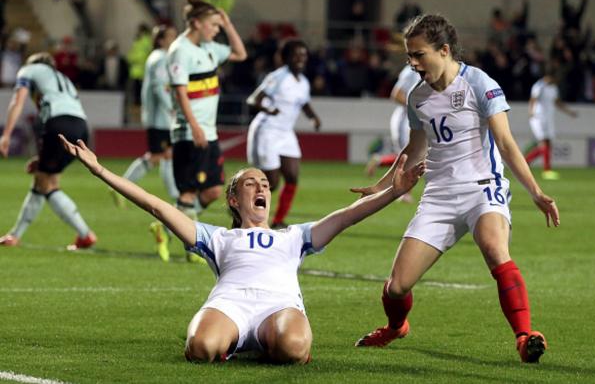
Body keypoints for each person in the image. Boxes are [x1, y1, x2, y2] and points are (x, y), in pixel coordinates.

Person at [59, 134, 425, 363]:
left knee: (294, 347)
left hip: (278, 306)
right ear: (234, 199)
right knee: (200, 348)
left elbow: (347, 216)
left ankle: (268, 343)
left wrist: (395, 191)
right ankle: (232, 343)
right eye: (251, 184)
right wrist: (101, 171)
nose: (261, 187)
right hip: (229, 305)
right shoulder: (217, 237)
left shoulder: (292, 236)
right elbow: (158, 206)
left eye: (264, 183)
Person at [352, 14, 560, 364]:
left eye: (418, 55)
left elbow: (506, 143)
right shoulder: (417, 98)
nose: (413, 64)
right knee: (396, 287)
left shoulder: (480, 83)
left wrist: (536, 192)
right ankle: (396, 327)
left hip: (483, 188)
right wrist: (381, 185)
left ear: (444, 50)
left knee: (496, 250)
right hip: (439, 196)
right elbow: (413, 149)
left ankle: (525, 336)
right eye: (409, 57)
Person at [164, 0, 246, 260]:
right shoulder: (180, 50)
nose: (217, 30)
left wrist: (228, 23)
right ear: (197, 23)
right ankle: (193, 250)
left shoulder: (209, 48)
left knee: (212, 191)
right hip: (190, 132)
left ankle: (168, 226)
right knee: (188, 191)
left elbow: (240, 53)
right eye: (213, 24)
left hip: (208, 133)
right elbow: (180, 93)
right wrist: (194, 126)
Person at [0, 52, 96, 249]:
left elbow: (18, 101)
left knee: (46, 183)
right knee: (45, 179)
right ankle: (15, 235)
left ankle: (85, 234)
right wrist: (42, 156)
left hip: (58, 124)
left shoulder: (28, 70)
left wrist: (6, 134)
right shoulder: (62, 78)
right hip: (81, 126)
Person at [110, 25, 179, 261]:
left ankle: (174, 194)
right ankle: (122, 185)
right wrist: (172, 110)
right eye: (171, 36)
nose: (174, 39)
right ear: (160, 39)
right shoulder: (159, 58)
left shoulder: (161, 57)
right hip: (160, 117)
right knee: (159, 156)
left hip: (160, 117)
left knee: (166, 155)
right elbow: (161, 88)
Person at [246, 39, 321, 228]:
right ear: (286, 58)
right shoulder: (278, 77)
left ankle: (278, 220)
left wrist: (314, 118)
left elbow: (304, 103)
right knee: (271, 182)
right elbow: (253, 99)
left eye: (303, 55)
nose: (300, 59)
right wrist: (269, 110)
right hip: (267, 131)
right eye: (296, 55)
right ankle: (249, 216)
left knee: (293, 176)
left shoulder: (303, 82)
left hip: (285, 133)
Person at [365, 64, 421, 204]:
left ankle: (380, 161)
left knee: (415, 154)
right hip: (405, 119)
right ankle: (404, 193)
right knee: (410, 155)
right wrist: (417, 107)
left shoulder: (428, 71)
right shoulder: (410, 72)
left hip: (415, 118)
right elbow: (396, 94)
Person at [524, 68, 578, 180]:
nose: (557, 81)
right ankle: (546, 170)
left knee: (548, 145)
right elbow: (533, 99)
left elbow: (557, 102)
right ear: (549, 77)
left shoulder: (553, 88)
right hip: (538, 118)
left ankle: (526, 161)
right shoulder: (539, 86)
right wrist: (531, 112)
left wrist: (569, 112)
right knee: (544, 143)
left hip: (548, 119)